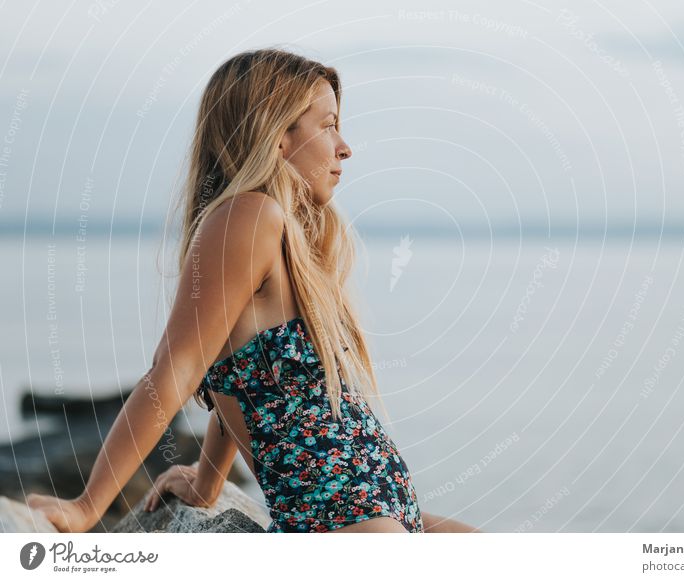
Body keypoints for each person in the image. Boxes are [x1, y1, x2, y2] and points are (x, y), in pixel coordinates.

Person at [26, 48, 480, 534]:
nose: (344, 147)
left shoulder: (283, 232)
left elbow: (244, 375)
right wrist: (87, 507)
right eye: (328, 125)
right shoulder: (249, 216)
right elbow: (175, 369)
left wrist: (207, 480)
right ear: (277, 136)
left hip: (382, 503)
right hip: (344, 517)